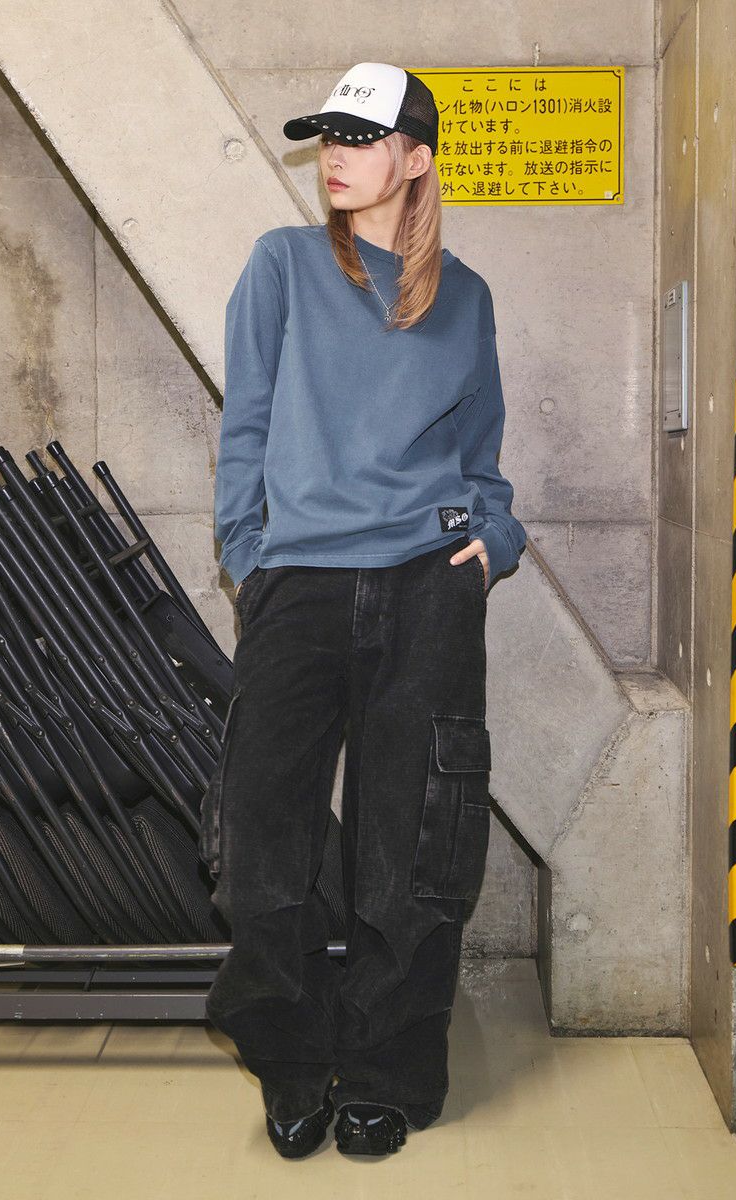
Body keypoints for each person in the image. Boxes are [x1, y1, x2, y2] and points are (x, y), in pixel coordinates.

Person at [200, 61, 526, 1159]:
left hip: (428, 585)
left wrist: (492, 545)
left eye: (358, 137)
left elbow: (482, 454)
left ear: (415, 158)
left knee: (416, 842)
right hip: (298, 584)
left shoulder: (465, 296)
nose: (333, 155)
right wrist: (251, 558)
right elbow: (246, 422)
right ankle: (292, 1060)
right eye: (326, 136)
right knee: (264, 839)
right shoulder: (284, 264)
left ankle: (386, 1069)